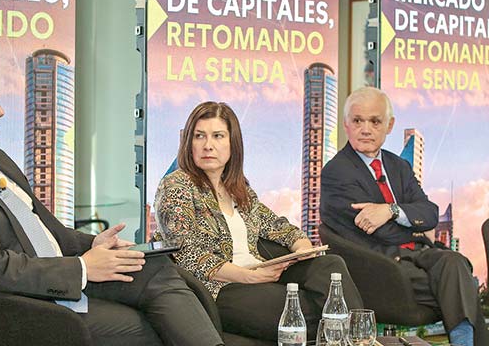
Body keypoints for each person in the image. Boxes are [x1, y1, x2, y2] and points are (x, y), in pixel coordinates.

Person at [0, 60, 224, 346]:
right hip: (18, 308)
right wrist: (83, 267)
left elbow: (44, 229)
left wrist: (92, 244)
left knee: (157, 271)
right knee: (148, 328)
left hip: (55, 278)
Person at [154, 101, 363, 342]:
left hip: (259, 273)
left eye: (218, 136)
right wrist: (247, 276)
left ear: (232, 144)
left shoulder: (238, 188)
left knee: (330, 265)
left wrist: (301, 246)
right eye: (199, 136)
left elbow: (276, 225)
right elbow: (186, 253)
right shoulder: (176, 186)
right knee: (308, 312)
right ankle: (354, 335)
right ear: (189, 142)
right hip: (219, 288)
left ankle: (355, 335)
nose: (208, 145)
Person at [320, 86, 489, 346]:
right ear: (346, 124)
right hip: (379, 262)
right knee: (458, 284)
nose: (366, 129)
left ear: (389, 125)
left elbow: (430, 213)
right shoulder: (337, 171)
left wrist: (390, 210)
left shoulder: (399, 166)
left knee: (454, 262)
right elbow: (380, 231)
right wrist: (412, 224)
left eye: (375, 121)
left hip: (419, 254)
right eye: (357, 121)